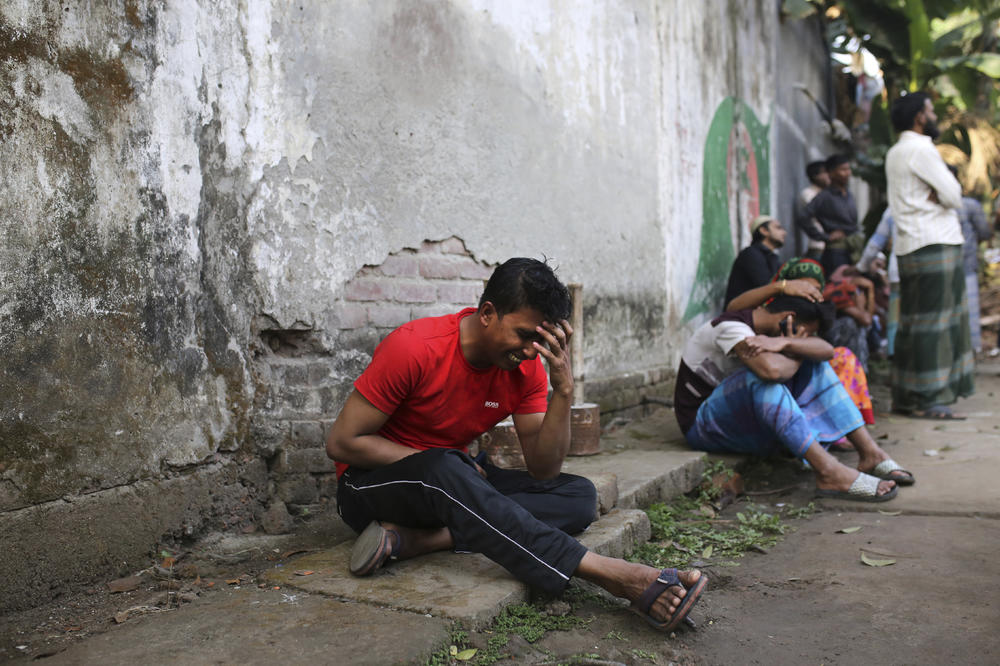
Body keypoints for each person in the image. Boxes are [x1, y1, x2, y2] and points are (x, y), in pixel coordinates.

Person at [326, 258, 706, 631]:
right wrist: (443, 462)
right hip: (370, 487)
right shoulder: (415, 348)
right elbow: (343, 442)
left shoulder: (526, 369)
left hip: (453, 486)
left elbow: (544, 469)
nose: (529, 351)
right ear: (488, 312)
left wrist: (564, 389)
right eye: (524, 335)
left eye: (539, 340)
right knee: (445, 468)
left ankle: (419, 540)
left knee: (577, 495)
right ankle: (611, 573)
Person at [673, 293, 914, 502]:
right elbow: (772, 371)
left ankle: (870, 453)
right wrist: (797, 349)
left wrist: (788, 341)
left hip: (740, 426)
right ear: (787, 318)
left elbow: (827, 351)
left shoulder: (772, 335)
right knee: (762, 381)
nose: (805, 337)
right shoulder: (732, 328)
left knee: (817, 365)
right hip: (702, 427)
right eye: (805, 331)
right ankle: (828, 471)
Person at [885, 93, 974, 419]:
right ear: (920, 117)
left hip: (910, 244)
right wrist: (943, 194)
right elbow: (953, 195)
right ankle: (931, 398)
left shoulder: (896, 152)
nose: (934, 115)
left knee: (913, 323)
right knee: (937, 323)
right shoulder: (921, 149)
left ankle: (907, 396)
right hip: (935, 242)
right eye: (931, 110)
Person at [947, 165, 993, 354]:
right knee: (969, 310)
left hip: (957, 267)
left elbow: (984, 232)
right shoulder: (969, 206)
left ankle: (965, 350)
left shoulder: (968, 206)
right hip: (961, 266)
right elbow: (984, 232)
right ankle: (971, 350)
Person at [807, 154, 864, 277]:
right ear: (831, 173)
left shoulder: (848, 194)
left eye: (848, 169)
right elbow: (803, 216)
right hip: (836, 251)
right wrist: (823, 236)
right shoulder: (825, 196)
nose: (847, 173)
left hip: (853, 249)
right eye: (843, 170)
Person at [723, 215, 787, 306]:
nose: (784, 232)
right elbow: (768, 287)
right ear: (763, 230)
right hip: (740, 316)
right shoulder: (750, 254)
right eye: (778, 228)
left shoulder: (772, 257)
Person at [796, 160, 830, 261]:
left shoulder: (827, 194)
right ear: (815, 176)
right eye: (825, 172)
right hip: (818, 246)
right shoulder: (808, 193)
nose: (829, 176)